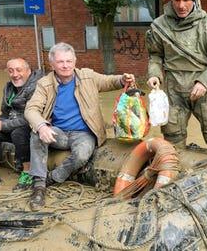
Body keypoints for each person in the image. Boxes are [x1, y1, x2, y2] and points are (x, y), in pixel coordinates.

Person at [24, 42, 135, 211]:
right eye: (60, 62)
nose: (65, 65)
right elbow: (31, 109)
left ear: (75, 61)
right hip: (58, 132)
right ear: (52, 64)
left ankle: (52, 178)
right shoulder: (44, 84)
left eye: (69, 61)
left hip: (84, 133)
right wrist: (42, 126)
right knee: (35, 133)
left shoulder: (87, 76)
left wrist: (122, 79)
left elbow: (109, 82)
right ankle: (38, 186)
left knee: (82, 155)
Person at [146, 0, 207, 150]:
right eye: (177, 0)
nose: (181, 5)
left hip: (202, 86)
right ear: (171, 0)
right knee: (173, 141)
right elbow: (155, 55)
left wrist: (204, 81)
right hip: (173, 88)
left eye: (186, 0)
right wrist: (154, 74)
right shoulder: (159, 26)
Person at [0, 58, 40, 191]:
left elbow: (31, 117)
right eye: (11, 71)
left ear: (28, 71)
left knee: (18, 133)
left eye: (19, 70)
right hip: (12, 123)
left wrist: (2, 126)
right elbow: (5, 113)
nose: (15, 74)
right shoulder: (8, 87)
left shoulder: (36, 87)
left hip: (30, 126)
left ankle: (27, 172)